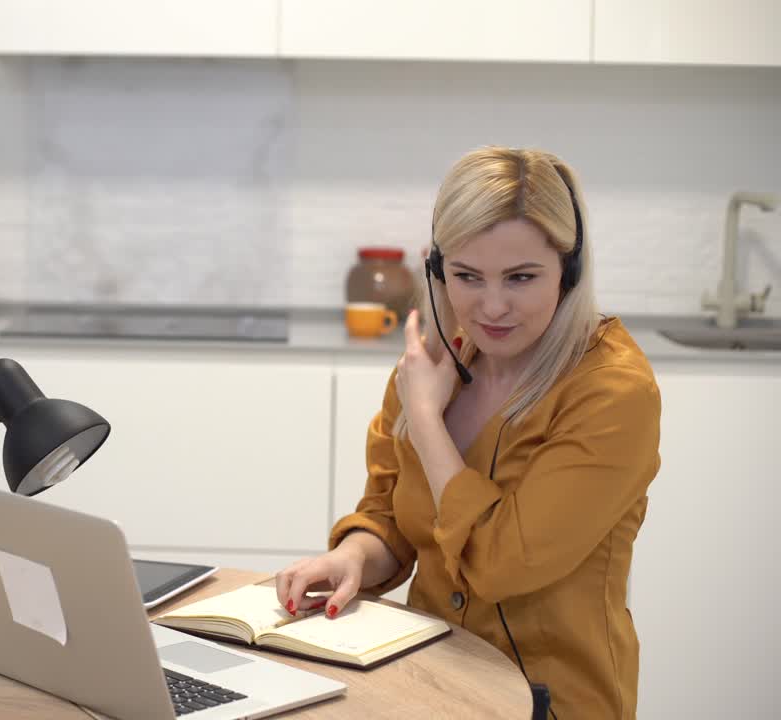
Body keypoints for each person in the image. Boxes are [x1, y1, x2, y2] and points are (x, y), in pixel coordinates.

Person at [276, 146, 660, 719]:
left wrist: (427, 422)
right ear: (436, 269)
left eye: (521, 277)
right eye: (467, 276)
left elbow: (503, 563)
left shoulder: (613, 391)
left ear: (570, 269)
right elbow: (390, 516)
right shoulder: (433, 364)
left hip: (554, 702)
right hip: (427, 688)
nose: (493, 306)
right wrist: (354, 556)